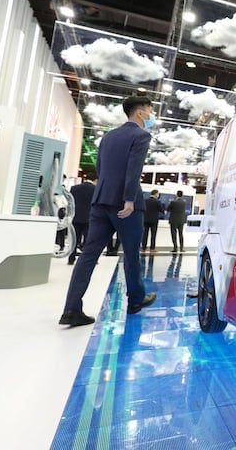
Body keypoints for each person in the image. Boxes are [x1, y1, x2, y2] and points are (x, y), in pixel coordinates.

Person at [59, 96, 157, 327]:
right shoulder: (141, 135)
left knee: (88, 255)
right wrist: (129, 199)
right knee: (131, 254)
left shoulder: (108, 137)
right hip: (125, 204)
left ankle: (71, 308)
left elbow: (100, 169)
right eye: (151, 110)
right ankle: (135, 299)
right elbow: (135, 169)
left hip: (100, 201)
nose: (152, 115)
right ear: (140, 113)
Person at [67, 177, 97, 265]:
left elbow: (70, 202)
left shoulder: (74, 188)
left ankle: (71, 258)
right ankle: (87, 259)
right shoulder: (95, 189)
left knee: (74, 238)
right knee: (89, 239)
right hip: (90, 217)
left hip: (76, 216)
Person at [142, 189, 165, 254]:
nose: (158, 195)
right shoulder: (157, 201)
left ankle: (143, 248)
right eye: (158, 194)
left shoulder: (145, 201)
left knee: (145, 235)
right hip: (154, 221)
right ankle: (152, 249)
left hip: (145, 220)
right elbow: (161, 210)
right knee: (153, 235)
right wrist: (164, 212)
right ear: (155, 194)